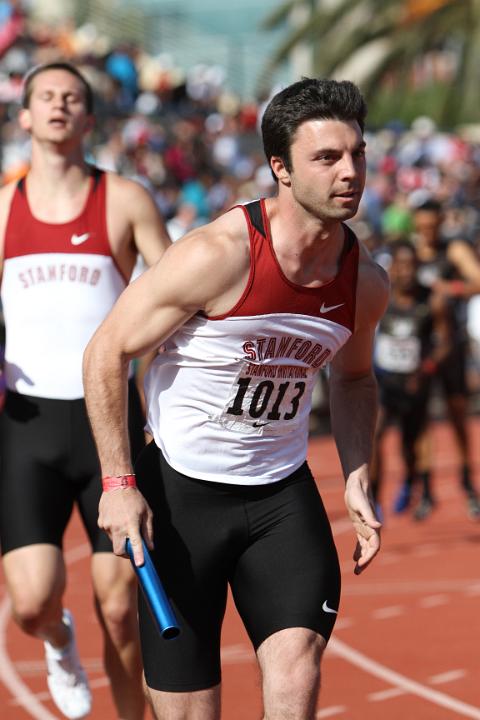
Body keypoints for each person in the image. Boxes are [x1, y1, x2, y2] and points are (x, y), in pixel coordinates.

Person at [83, 77, 389, 720]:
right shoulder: (217, 256)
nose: (349, 172)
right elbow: (106, 351)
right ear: (279, 168)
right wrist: (117, 482)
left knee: (297, 667)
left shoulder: (364, 283)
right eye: (327, 158)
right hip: (183, 502)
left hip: (282, 500)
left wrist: (357, 475)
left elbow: (355, 379)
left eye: (357, 154)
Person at [0, 62, 170, 720]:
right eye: (46, 97)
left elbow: (177, 296)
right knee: (33, 602)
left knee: (123, 610)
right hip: (28, 423)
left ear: (90, 120)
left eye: (73, 99)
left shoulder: (124, 199)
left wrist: (159, 388)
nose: (59, 106)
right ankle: (58, 640)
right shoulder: (5, 206)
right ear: (25, 116)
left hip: (111, 427)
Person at [371, 240, 450, 520]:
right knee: (375, 436)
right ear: (392, 268)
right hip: (384, 381)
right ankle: (374, 498)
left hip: (416, 383)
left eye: (411, 265)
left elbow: (444, 343)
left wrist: (425, 370)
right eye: (400, 266)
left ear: (417, 268)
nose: (405, 271)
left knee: (410, 443)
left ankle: (411, 480)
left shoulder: (431, 300)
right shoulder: (381, 295)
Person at [411, 199, 480, 518]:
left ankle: (467, 483)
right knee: (421, 419)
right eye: (423, 226)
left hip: (450, 345)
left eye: (433, 225)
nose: (428, 231)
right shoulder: (408, 254)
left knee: (456, 416)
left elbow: (476, 280)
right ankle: (426, 489)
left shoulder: (453, 250)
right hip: (418, 346)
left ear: (440, 222)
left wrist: (448, 288)